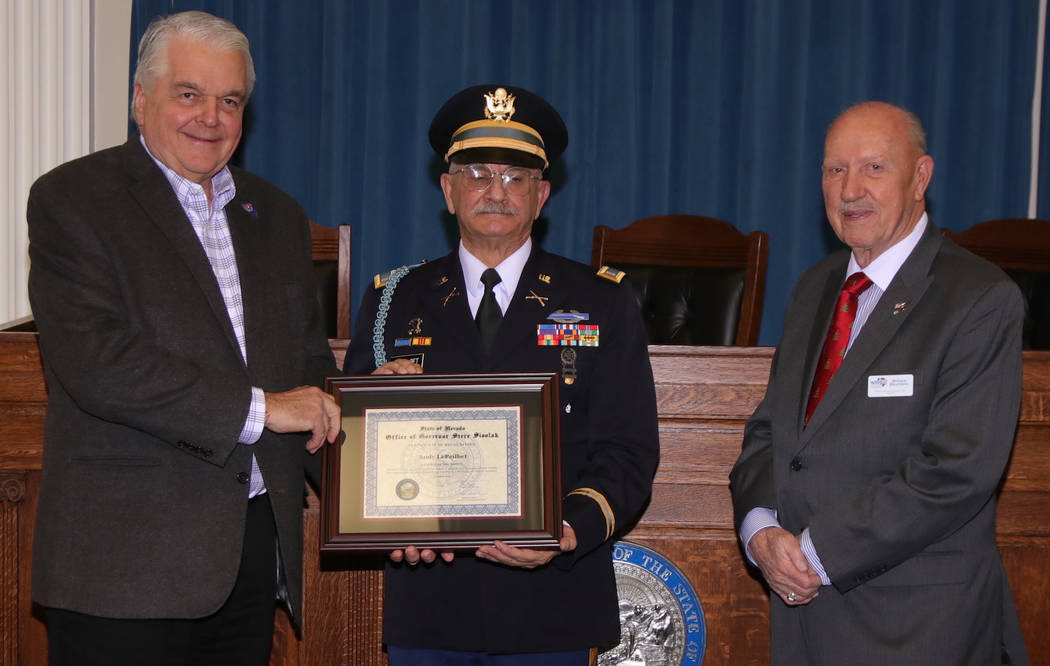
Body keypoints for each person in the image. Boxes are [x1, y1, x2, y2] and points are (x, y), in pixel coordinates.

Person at [27, 11, 341, 665]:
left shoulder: (277, 216)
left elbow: (306, 365)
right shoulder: (74, 199)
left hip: (248, 559)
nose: (211, 117)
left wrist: (377, 433)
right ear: (142, 100)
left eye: (230, 100)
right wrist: (263, 409)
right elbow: (99, 362)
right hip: (123, 570)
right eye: (189, 94)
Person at [342, 84, 660, 664]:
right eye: (478, 172)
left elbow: (628, 448)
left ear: (541, 196)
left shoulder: (600, 301)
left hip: (552, 600)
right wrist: (387, 518)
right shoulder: (392, 299)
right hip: (430, 602)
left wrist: (568, 528)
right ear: (448, 189)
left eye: (515, 178)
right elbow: (346, 445)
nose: (496, 191)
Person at [729, 101, 1030, 665]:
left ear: (921, 177)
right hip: (802, 618)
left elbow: (957, 470)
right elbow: (771, 434)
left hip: (914, 627)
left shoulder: (978, 298)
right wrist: (760, 530)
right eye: (834, 170)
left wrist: (815, 555)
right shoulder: (815, 288)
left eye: (874, 168)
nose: (850, 190)